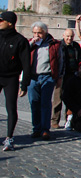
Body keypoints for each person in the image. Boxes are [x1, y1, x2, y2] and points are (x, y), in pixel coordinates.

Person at [0, 11, 31, 151]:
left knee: (11, 107)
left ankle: (9, 138)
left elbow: (26, 64)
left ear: (10, 23)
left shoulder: (20, 41)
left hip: (11, 78)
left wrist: (24, 84)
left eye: (1, 20)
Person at [28, 22, 63, 140]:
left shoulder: (54, 44)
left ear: (45, 32)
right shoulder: (31, 43)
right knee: (34, 103)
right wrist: (32, 42)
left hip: (48, 76)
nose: (37, 35)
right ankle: (36, 128)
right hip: (33, 77)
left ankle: (45, 129)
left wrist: (59, 77)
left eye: (39, 33)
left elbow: (60, 61)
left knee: (45, 104)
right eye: (35, 33)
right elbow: (22, 54)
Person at [53, 28, 81, 129]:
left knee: (71, 98)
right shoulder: (59, 46)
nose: (69, 38)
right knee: (58, 99)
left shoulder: (75, 46)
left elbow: (80, 59)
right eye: (67, 36)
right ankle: (55, 120)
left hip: (73, 75)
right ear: (63, 36)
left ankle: (69, 120)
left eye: (71, 36)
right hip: (62, 75)